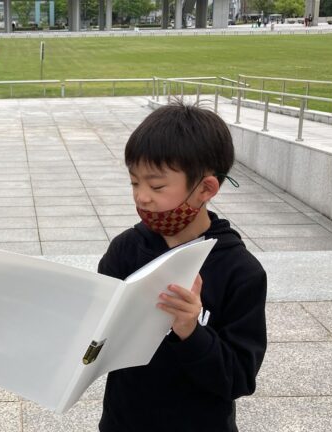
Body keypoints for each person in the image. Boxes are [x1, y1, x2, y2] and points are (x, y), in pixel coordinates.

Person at [96, 103, 267, 431]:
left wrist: (190, 331)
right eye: (134, 183)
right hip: (123, 421)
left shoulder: (240, 271)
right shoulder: (125, 250)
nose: (141, 197)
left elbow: (239, 379)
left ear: (206, 189)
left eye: (157, 186)